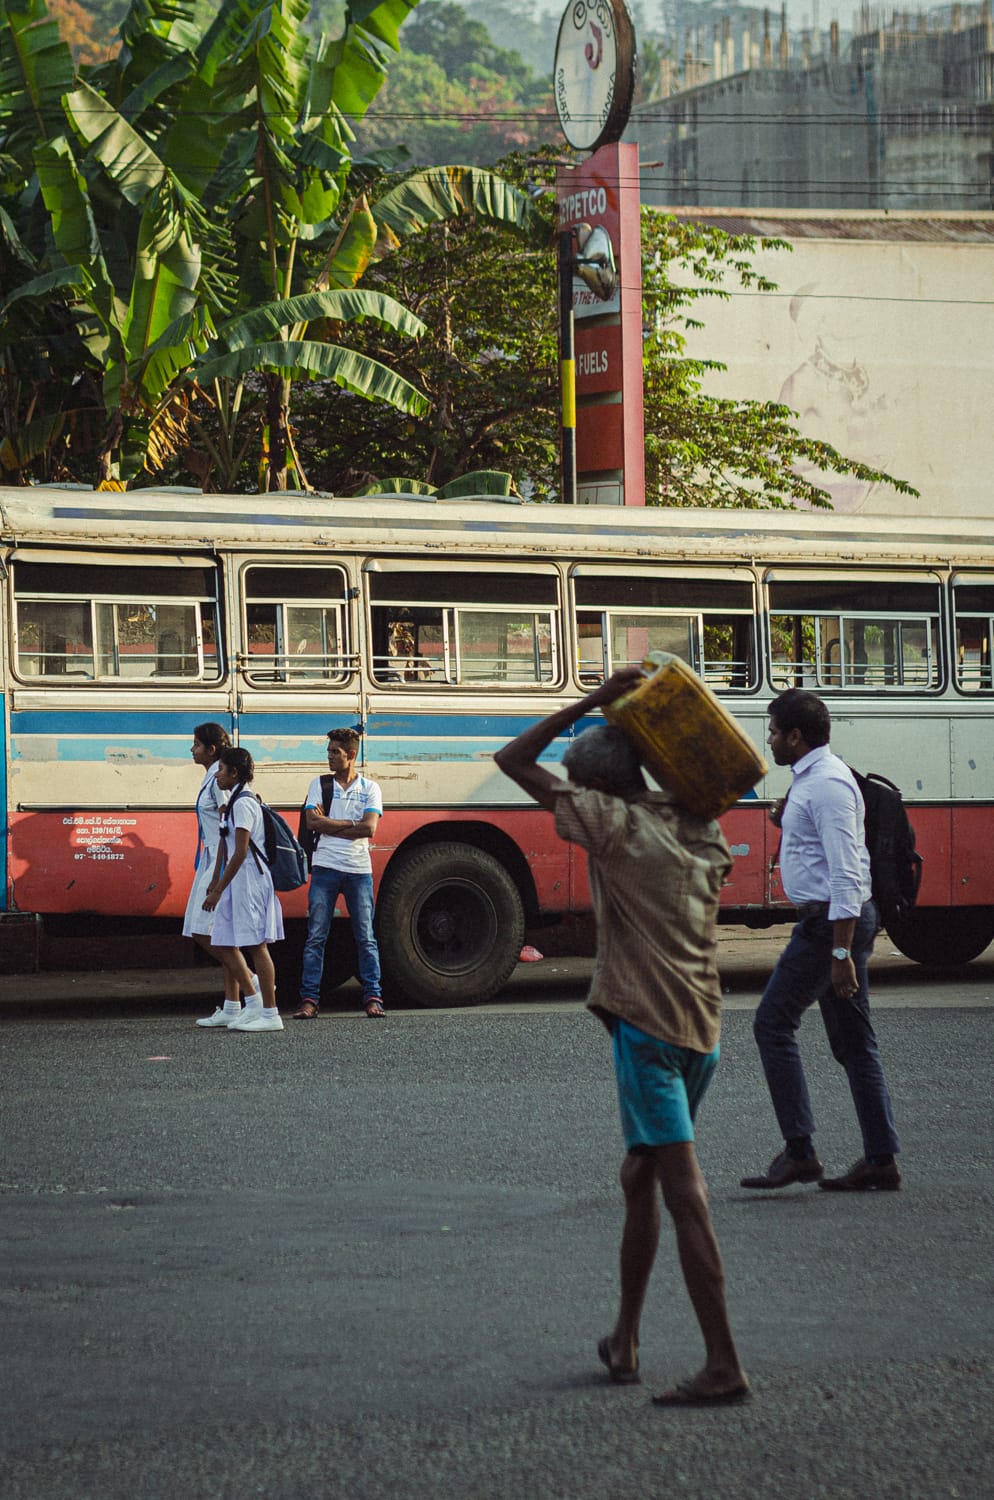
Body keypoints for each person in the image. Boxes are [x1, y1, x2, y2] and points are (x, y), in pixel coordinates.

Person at [494, 668, 749, 1408]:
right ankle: (625, 1339)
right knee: (640, 1179)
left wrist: (595, 698)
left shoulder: (612, 827)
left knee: (685, 1196)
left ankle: (724, 1363)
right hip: (703, 1032)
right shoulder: (700, 828)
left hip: (648, 1036)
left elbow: (512, 760)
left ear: (597, 792)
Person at [741, 688, 901, 1192]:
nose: (768, 740)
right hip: (831, 923)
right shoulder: (811, 779)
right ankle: (880, 1160)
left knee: (772, 1024)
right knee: (854, 1043)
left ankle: (800, 1152)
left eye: (773, 731)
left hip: (830, 926)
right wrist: (785, 817)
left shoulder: (828, 784)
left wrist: (840, 953)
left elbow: (848, 873)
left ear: (796, 735)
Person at [293, 728, 385, 1020]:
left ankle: (373, 997)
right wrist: (351, 824)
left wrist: (330, 823)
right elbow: (312, 823)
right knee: (316, 937)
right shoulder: (319, 784)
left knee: (366, 936)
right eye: (329, 751)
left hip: (358, 870)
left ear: (351, 755)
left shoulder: (370, 788)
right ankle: (309, 999)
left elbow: (369, 829)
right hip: (325, 867)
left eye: (336, 752)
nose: (330, 757)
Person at [202, 747, 284, 1033]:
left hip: (249, 879)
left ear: (234, 773)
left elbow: (240, 852)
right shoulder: (234, 801)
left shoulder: (243, 803)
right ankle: (251, 1005)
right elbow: (227, 847)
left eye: (221, 770)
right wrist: (216, 881)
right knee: (225, 940)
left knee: (257, 945)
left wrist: (217, 889)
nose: (217, 776)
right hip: (237, 880)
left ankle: (270, 1012)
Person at [187, 723, 262, 1028]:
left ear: (211, 750)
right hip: (210, 860)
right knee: (220, 933)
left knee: (203, 931)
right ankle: (232, 1005)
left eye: (196, 745)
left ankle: (254, 988)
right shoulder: (212, 777)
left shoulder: (219, 782)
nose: (192, 750)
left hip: (219, 862)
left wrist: (217, 881)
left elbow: (225, 829)